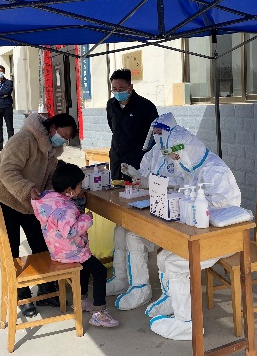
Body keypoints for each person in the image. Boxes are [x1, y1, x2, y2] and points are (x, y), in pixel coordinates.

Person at [136, 113, 241, 341]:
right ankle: (172, 301)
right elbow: (186, 192)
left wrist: (192, 206)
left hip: (221, 238)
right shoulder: (193, 168)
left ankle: (186, 323)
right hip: (201, 234)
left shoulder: (215, 171)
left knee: (175, 263)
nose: (174, 160)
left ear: (185, 151)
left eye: (176, 156)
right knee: (164, 258)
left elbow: (223, 210)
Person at [0, 112, 78, 318]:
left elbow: (49, 179)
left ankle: (45, 289)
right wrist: (27, 189)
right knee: (12, 251)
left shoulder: (52, 151)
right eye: (63, 135)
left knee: (42, 244)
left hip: (29, 203)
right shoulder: (24, 139)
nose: (64, 140)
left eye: (68, 138)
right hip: (6, 199)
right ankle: (22, 295)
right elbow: (6, 170)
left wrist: (59, 193)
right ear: (53, 127)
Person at [105, 113, 186, 311]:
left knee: (134, 237)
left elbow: (184, 182)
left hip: (173, 213)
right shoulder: (155, 151)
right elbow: (145, 176)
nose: (157, 137)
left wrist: (155, 183)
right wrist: (135, 174)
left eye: (160, 133)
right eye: (155, 133)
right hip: (151, 206)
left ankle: (141, 288)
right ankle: (121, 278)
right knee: (120, 230)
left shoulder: (181, 151)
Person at [31, 163, 119, 328]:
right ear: (69, 190)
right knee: (100, 271)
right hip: (71, 251)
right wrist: (86, 219)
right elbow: (70, 231)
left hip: (57, 250)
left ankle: (82, 299)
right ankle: (99, 313)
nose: (81, 187)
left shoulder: (48, 200)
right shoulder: (66, 208)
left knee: (84, 267)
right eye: (79, 185)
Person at [106, 68, 158, 181]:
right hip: (116, 158)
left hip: (137, 159)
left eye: (121, 89)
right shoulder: (111, 105)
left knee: (135, 188)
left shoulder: (146, 106)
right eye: (114, 89)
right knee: (116, 188)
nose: (117, 92)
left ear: (130, 87)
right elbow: (113, 127)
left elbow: (155, 135)